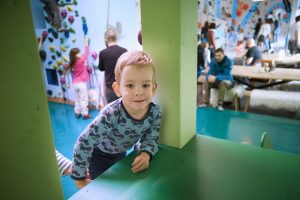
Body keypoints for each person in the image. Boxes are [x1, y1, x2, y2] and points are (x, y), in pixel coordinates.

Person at [71, 51, 161, 189]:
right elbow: (84, 143)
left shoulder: (154, 112)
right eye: (130, 85)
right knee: (101, 192)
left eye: (145, 85)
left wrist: (146, 153)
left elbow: (151, 137)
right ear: (117, 89)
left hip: (121, 154)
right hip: (99, 157)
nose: (138, 92)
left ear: (153, 88)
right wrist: (79, 178)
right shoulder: (111, 114)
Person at [65, 37, 92, 119]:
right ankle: (85, 114)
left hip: (75, 84)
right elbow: (86, 54)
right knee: (84, 99)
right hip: (81, 84)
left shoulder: (72, 62)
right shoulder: (80, 60)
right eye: (79, 53)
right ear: (75, 55)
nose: (80, 54)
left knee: (77, 99)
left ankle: (77, 112)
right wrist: (86, 43)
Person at [99, 29, 127, 103]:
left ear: (106, 40)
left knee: (112, 112)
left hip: (110, 89)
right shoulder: (124, 51)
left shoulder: (103, 53)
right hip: (123, 87)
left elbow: (101, 68)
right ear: (116, 38)